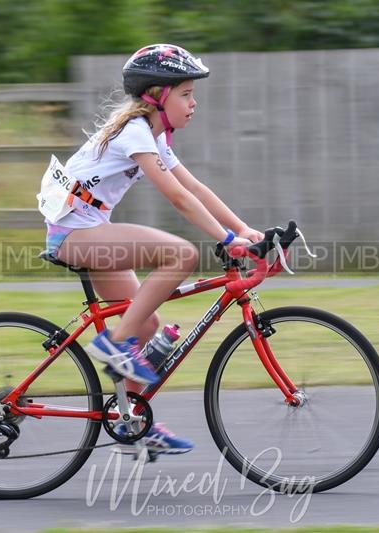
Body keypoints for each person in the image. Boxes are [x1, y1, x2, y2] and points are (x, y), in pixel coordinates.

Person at [41, 44, 263, 454]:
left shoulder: (154, 137)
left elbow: (195, 188)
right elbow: (178, 199)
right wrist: (226, 241)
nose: (193, 103)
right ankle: (114, 346)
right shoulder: (136, 133)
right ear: (157, 95)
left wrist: (243, 229)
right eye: (185, 94)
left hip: (89, 230)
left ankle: (132, 423)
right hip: (74, 235)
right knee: (181, 255)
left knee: (146, 325)